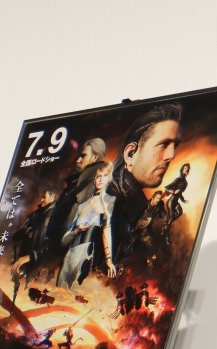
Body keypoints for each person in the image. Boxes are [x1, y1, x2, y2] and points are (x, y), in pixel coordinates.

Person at [109, 103, 182, 261]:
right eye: (164, 144)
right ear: (130, 154)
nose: (171, 155)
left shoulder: (129, 203)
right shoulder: (110, 204)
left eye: (175, 146)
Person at [58, 162, 115, 287]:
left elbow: (107, 229)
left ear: (109, 178)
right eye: (98, 176)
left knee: (74, 289)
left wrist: (108, 259)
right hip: (68, 258)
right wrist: (76, 231)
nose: (101, 179)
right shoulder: (82, 204)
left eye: (105, 175)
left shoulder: (108, 201)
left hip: (84, 257)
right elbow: (63, 240)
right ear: (94, 179)